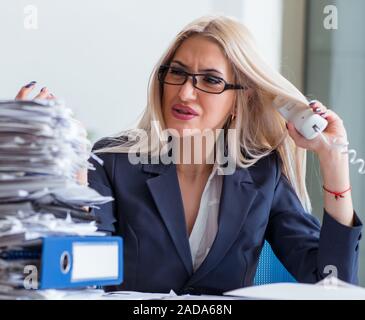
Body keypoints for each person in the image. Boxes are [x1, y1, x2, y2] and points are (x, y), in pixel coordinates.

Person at [15, 15, 362, 295]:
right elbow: (79, 278)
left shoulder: (261, 174)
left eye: (210, 81)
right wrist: (63, 172)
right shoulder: (114, 160)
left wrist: (333, 162)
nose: (185, 92)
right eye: (177, 73)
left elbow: (330, 282)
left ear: (238, 103)